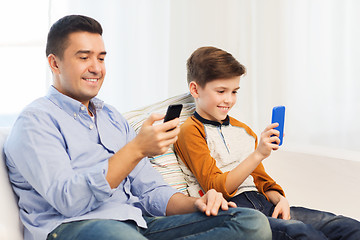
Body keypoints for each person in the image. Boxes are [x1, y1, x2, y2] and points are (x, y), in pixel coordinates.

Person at [3, 15, 272, 240]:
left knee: (249, 222)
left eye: (101, 58)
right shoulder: (35, 121)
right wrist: (136, 149)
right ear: (54, 63)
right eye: (84, 57)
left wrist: (195, 204)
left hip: (137, 224)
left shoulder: (111, 118)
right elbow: (68, 200)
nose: (96, 68)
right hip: (74, 227)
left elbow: (151, 191)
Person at [174, 46, 360, 240]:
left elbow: (261, 180)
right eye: (221, 91)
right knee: (303, 233)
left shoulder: (243, 130)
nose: (228, 100)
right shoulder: (190, 131)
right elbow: (216, 186)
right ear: (195, 89)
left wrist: (280, 199)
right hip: (237, 212)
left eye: (234, 91)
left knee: (348, 227)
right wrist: (258, 154)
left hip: (263, 203)